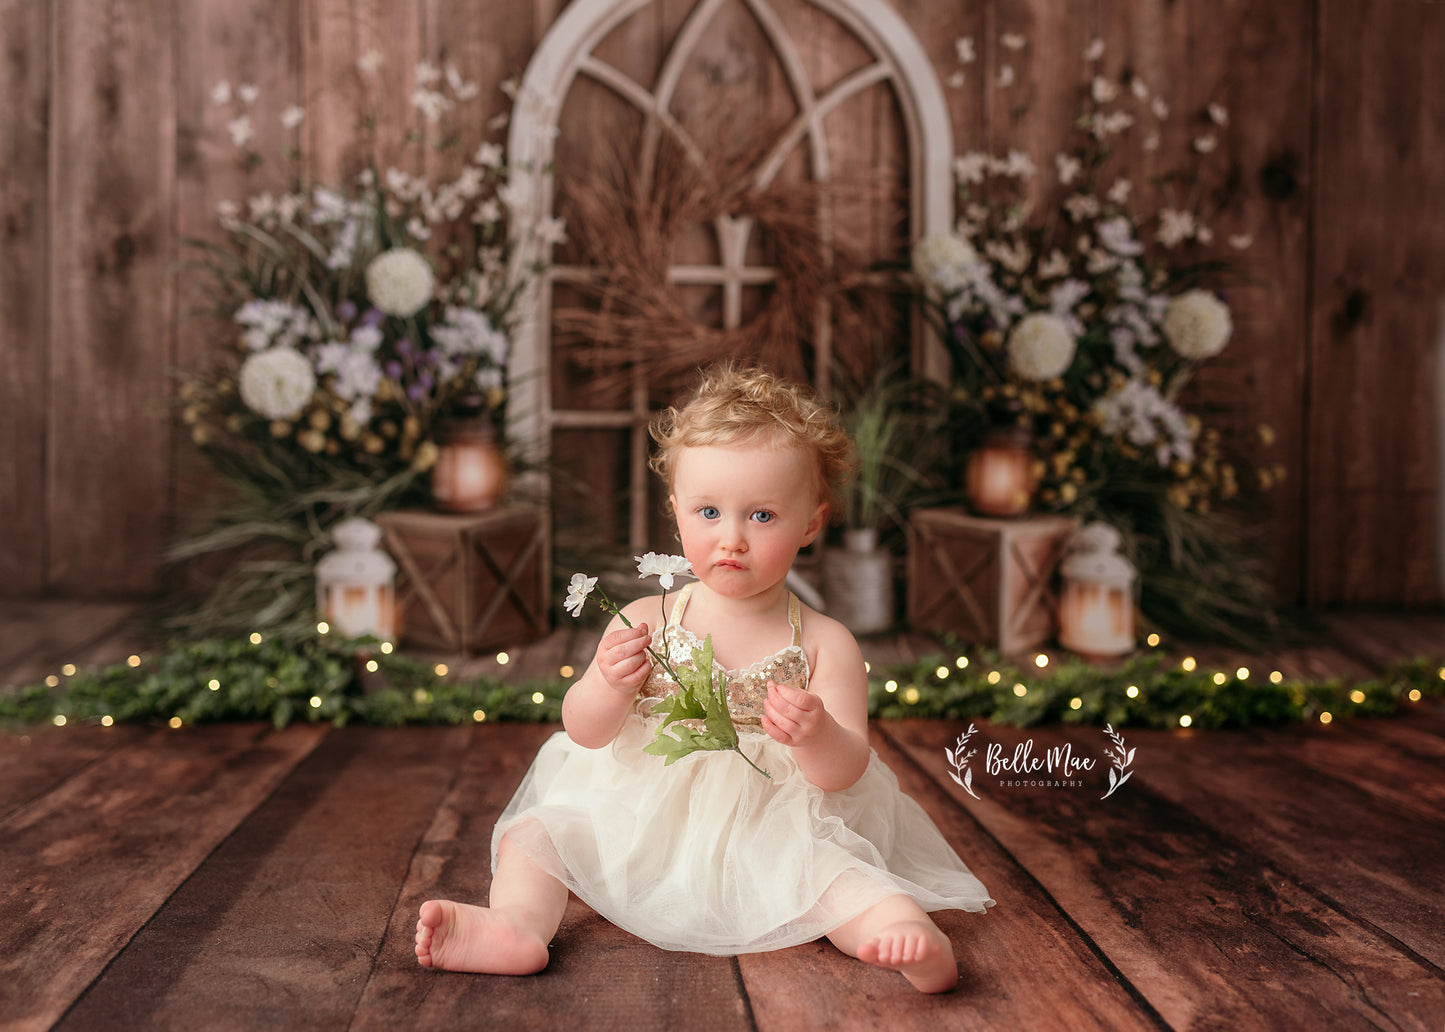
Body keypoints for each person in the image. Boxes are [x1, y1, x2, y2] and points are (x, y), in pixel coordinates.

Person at [415, 364, 993, 993]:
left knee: (830, 873)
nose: (732, 539)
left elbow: (846, 767)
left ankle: (903, 934)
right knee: (539, 833)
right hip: (636, 816)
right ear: (676, 512)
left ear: (811, 523)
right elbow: (581, 730)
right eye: (710, 511)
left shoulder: (826, 643)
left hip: (773, 817)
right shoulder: (646, 619)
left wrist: (817, 732)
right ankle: (516, 926)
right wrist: (607, 687)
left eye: (763, 516)